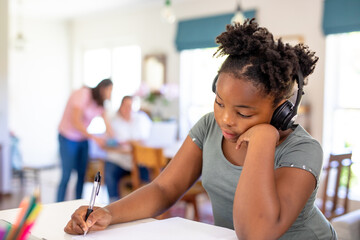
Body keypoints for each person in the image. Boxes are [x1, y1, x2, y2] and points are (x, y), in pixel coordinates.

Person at [64, 20, 337, 239]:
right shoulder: (210, 126)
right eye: (219, 102)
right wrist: (109, 213)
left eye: (243, 112)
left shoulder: (303, 150)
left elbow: (256, 233)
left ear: (282, 110)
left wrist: (265, 138)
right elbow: (164, 188)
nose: (226, 119)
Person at [57, 78, 114, 202]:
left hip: (83, 139)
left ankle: (77, 203)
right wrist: (95, 138)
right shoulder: (83, 94)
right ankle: (58, 203)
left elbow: (108, 125)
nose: (110, 94)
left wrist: (117, 139)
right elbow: (76, 122)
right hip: (68, 137)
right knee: (66, 175)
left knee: (82, 174)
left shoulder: (100, 104)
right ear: (103, 88)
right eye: (110, 90)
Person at [104, 95, 152, 202]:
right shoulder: (113, 121)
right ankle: (113, 201)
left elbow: (145, 139)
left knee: (151, 173)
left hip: (138, 160)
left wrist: (129, 143)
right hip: (119, 160)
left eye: (130, 106)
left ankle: (145, 202)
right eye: (125, 106)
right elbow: (109, 143)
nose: (127, 109)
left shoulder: (141, 119)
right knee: (109, 171)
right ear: (120, 107)